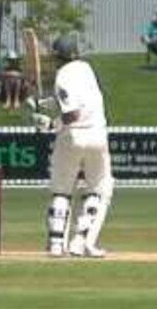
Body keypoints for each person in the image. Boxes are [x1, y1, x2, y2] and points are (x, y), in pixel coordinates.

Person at [29, 35, 114, 258]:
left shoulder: (62, 76)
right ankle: (81, 242)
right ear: (75, 53)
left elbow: (72, 114)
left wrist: (50, 124)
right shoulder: (87, 69)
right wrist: (45, 103)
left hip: (72, 136)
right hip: (97, 135)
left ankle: (56, 244)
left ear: (57, 56)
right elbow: (82, 100)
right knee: (98, 190)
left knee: (62, 191)